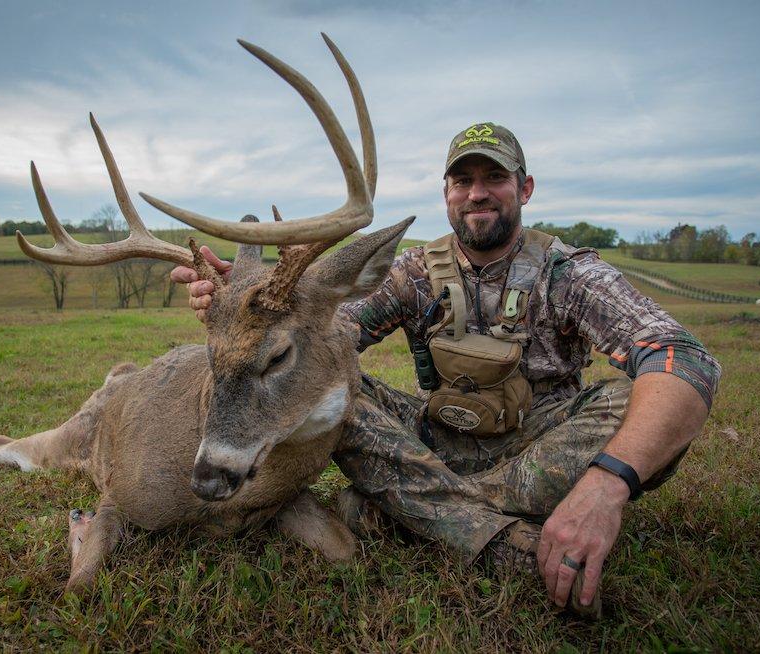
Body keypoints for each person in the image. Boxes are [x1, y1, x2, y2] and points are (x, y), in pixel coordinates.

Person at [172, 122, 720, 617]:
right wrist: (249, 308)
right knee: (335, 383)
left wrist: (604, 486)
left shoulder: (569, 273)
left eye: (494, 177)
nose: (477, 193)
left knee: (633, 403)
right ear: (447, 195)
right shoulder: (414, 271)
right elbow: (323, 335)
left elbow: (687, 360)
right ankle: (493, 531)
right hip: (436, 435)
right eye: (462, 181)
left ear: (524, 189)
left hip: (542, 446)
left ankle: (420, 510)